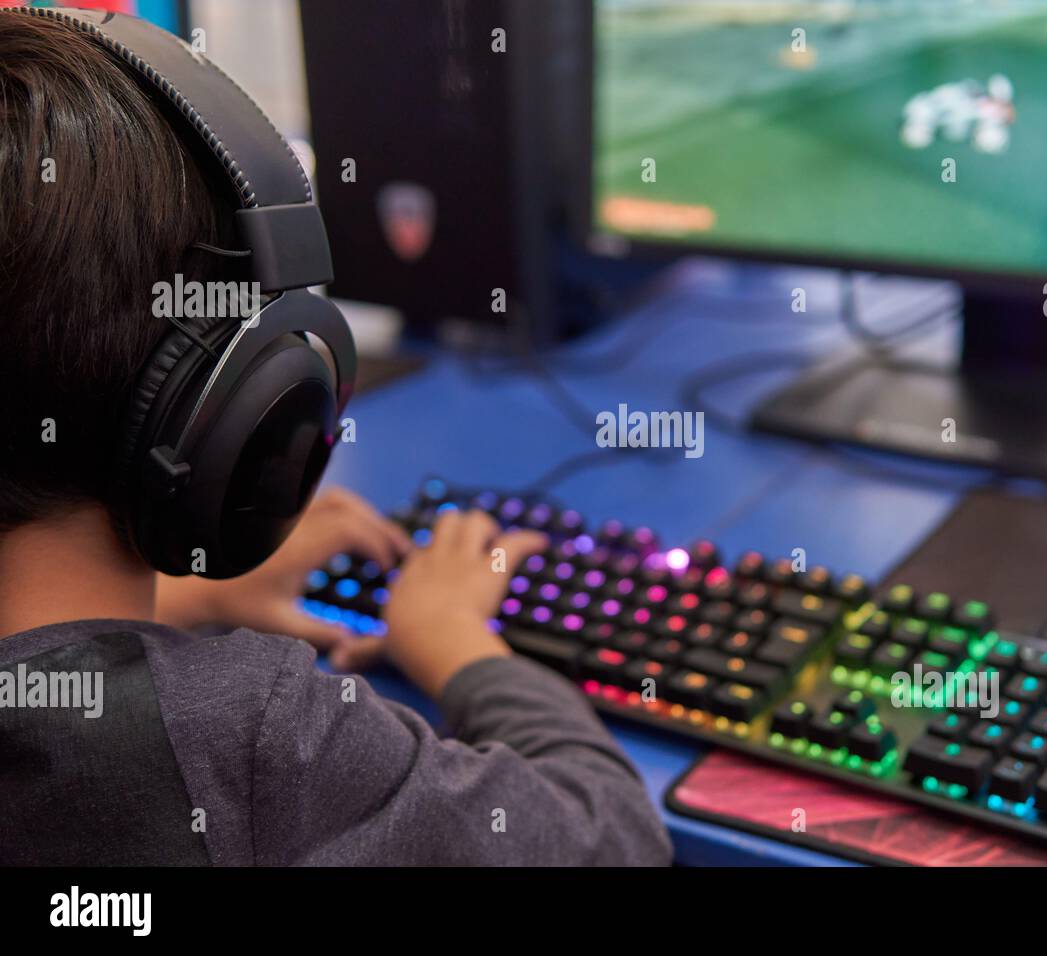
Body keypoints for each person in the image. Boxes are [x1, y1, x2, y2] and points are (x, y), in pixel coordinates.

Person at [0, 11, 672, 866]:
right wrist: (460, 646)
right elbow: (610, 837)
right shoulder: (253, 737)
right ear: (237, 409)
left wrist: (186, 604)